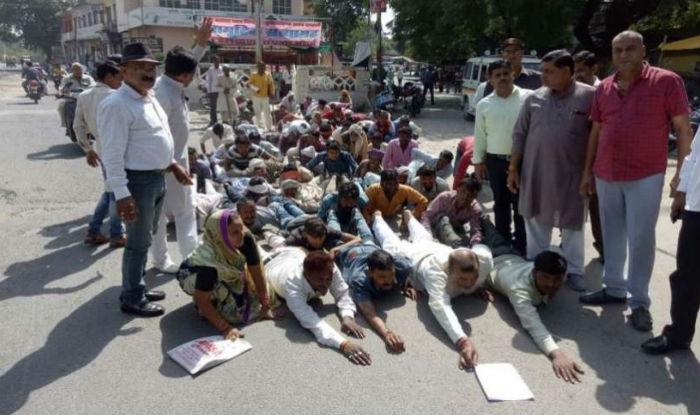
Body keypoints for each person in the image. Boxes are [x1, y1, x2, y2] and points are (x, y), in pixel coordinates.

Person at [579, 31, 693, 332]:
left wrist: (682, 176)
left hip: (646, 173)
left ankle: (639, 301)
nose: (624, 54)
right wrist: (587, 172)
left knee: (641, 238)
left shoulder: (667, 81)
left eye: (630, 48)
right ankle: (614, 288)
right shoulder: (604, 87)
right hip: (606, 173)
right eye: (618, 50)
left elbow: (683, 129)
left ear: (644, 50)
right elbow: (596, 131)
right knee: (611, 233)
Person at [98, 42, 193, 317]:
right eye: (139, 67)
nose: (147, 72)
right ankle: (132, 296)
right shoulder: (116, 104)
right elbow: (112, 154)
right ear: (124, 70)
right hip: (137, 182)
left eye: (151, 67)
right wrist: (121, 193)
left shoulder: (148, 98)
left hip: (156, 178)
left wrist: (173, 164)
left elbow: (158, 139)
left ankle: (137, 285)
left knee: (147, 236)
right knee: (138, 241)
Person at [507, 50, 595, 292]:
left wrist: (592, 172)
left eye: (549, 71)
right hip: (536, 171)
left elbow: (598, 135)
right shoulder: (534, 98)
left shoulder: (590, 97)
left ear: (567, 72)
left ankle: (575, 270)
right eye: (542, 71)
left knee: (572, 224)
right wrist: (513, 168)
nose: (542, 76)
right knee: (535, 220)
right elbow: (519, 134)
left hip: (573, 173)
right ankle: (537, 267)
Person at [372, 209, 494, 368]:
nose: (470, 283)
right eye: (463, 279)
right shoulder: (435, 274)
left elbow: (482, 249)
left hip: (436, 248)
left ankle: (408, 216)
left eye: (474, 277)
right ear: (450, 271)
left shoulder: (484, 260)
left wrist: (479, 285)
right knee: (391, 242)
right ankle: (377, 218)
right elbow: (441, 308)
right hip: (415, 258)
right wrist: (463, 342)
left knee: (423, 236)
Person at [149, 28, 212, 273]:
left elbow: (187, 65)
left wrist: (200, 44)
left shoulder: (171, 83)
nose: (193, 78)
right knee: (181, 212)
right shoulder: (162, 94)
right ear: (184, 76)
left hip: (177, 160)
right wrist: (172, 165)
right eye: (192, 74)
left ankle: (168, 258)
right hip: (167, 164)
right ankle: (185, 260)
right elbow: (153, 136)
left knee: (170, 213)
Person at [642, 127, 700, 354]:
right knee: (687, 275)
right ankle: (679, 335)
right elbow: (694, 155)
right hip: (696, 208)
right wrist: (682, 192)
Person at [177, 210, 278, 340]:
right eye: (235, 232)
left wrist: (265, 305)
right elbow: (200, 298)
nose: (241, 234)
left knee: (258, 294)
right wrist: (225, 328)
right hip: (195, 274)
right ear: (219, 235)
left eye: (242, 228)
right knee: (227, 311)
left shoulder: (246, 238)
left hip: (227, 268)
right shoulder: (208, 262)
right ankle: (210, 302)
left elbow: (257, 271)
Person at [488, 250, 585, 383]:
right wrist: (557, 354)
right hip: (492, 257)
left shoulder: (544, 268)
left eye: (557, 279)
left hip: (512, 254)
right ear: (534, 273)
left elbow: (556, 250)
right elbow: (533, 325)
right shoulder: (518, 290)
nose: (551, 284)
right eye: (545, 277)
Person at [266, 249, 371, 365]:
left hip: (293, 252)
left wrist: (347, 316)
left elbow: (342, 293)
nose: (326, 283)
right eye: (320, 280)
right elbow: (312, 322)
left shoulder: (329, 268)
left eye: (328, 279)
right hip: (271, 265)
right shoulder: (291, 285)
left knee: (279, 242)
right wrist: (343, 344)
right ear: (306, 275)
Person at [472, 60, 530, 254]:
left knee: (521, 204)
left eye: (506, 73)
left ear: (513, 74)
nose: (502, 78)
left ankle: (522, 244)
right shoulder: (484, 104)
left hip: (523, 161)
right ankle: (503, 241)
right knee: (501, 203)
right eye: (497, 75)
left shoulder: (528, 98)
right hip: (495, 160)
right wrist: (478, 161)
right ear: (490, 79)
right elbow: (480, 135)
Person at [74, 60, 126, 248]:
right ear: (109, 77)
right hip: (119, 149)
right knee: (115, 192)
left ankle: (94, 230)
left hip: (101, 148)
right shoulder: (117, 96)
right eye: (119, 77)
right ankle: (116, 233)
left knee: (110, 189)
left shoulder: (84, 96)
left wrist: (88, 149)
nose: (121, 81)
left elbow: (77, 126)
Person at [336, 243, 413, 353]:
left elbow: (407, 269)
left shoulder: (403, 266)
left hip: (371, 247)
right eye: (382, 277)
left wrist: (407, 284)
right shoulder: (358, 280)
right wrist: (387, 333)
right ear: (370, 273)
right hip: (350, 253)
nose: (389, 280)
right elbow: (370, 314)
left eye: (391, 274)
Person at [573, 50, 604, 260]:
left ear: (594, 69)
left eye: (582, 70)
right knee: (571, 205)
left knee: (597, 209)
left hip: (599, 161)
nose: (577, 75)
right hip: (575, 159)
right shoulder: (573, 91)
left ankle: (604, 249)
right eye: (575, 71)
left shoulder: (603, 91)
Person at [421, 174, 484, 248]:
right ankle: (456, 244)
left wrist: (475, 245)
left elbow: (475, 230)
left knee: (483, 222)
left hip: (455, 229)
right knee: (444, 218)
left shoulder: (475, 209)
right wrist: (428, 234)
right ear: (457, 189)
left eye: (470, 195)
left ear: (474, 197)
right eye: (463, 192)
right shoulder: (444, 198)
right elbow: (427, 216)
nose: (465, 197)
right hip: (435, 227)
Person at [364, 169, 429, 222]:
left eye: (395, 184)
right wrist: (368, 218)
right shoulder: (373, 189)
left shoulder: (404, 189)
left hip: (393, 216)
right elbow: (363, 206)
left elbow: (423, 201)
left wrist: (412, 216)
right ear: (381, 183)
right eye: (388, 184)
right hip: (375, 217)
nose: (393, 187)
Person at [283, 217, 361, 256]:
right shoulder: (295, 238)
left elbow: (358, 239)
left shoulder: (327, 230)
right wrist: (301, 250)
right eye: (315, 239)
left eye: (321, 238)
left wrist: (336, 249)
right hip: (291, 223)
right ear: (306, 234)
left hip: (309, 219)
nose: (318, 243)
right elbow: (279, 252)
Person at [57, 62, 96, 132]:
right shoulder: (67, 79)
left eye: (79, 69)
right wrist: (61, 92)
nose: (77, 71)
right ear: (72, 70)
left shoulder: (88, 78)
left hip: (86, 99)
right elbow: (62, 87)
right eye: (75, 69)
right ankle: (65, 124)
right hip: (71, 99)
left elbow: (94, 86)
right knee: (61, 106)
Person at [248, 61, 275, 131]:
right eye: (260, 66)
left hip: (265, 96)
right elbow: (249, 84)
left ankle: (269, 127)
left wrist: (272, 93)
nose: (262, 68)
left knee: (267, 112)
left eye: (263, 66)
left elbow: (271, 84)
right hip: (256, 97)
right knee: (258, 112)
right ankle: (260, 128)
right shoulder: (254, 75)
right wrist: (256, 89)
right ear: (257, 67)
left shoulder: (268, 74)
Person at [205, 54, 223, 125]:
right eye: (215, 60)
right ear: (213, 61)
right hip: (213, 90)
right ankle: (213, 121)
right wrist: (208, 91)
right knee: (213, 107)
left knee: (222, 106)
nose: (216, 62)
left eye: (217, 60)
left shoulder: (222, 69)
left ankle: (224, 121)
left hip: (221, 91)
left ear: (219, 61)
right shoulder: (210, 70)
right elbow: (208, 81)